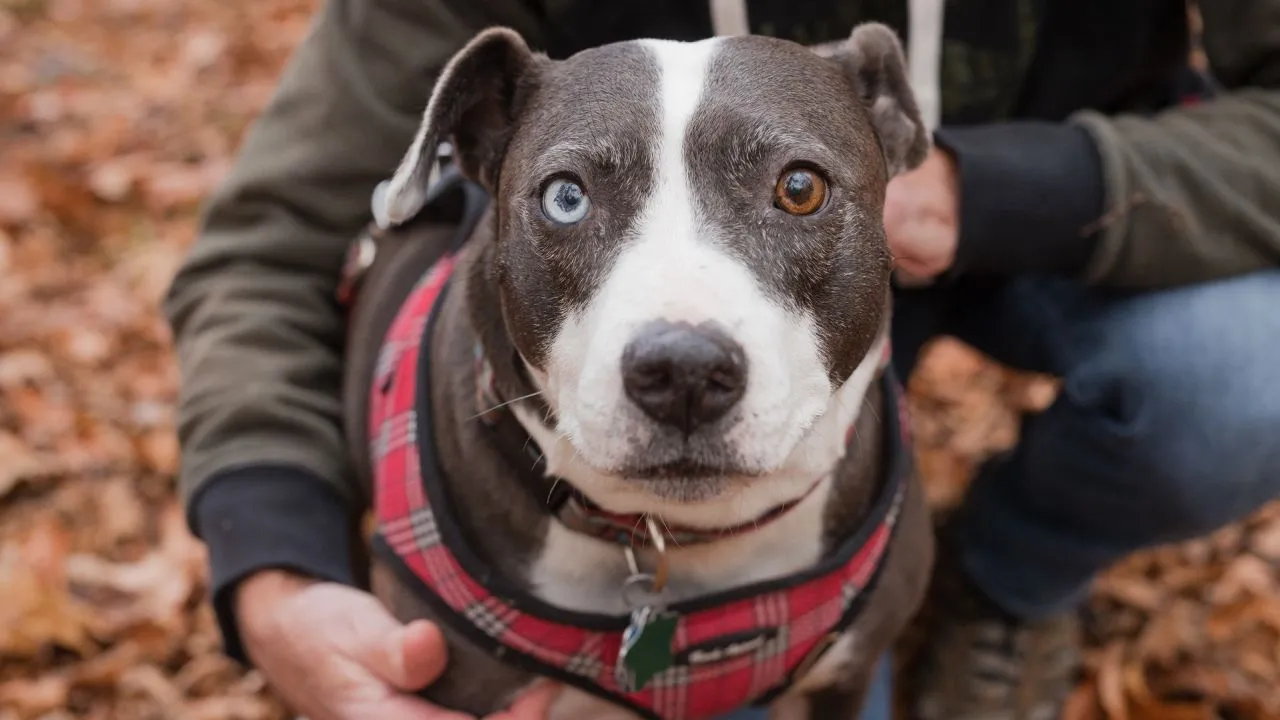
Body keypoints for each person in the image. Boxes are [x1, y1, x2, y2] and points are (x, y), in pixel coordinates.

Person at [163, 0, 1280, 718]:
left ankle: (1006, 580)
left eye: (792, 184)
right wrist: (274, 568)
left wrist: (1014, 189)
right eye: (567, 194)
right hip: (527, 501)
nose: (681, 354)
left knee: (1243, 376)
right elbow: (267, 248)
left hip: (1013, 239)